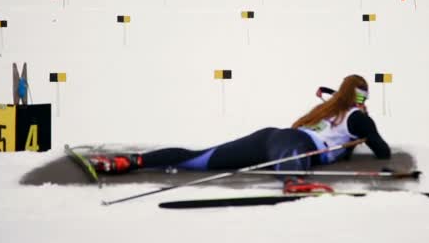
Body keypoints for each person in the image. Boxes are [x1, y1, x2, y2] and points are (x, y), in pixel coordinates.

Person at [89, 74, 390, 192]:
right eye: (362, 97)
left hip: (270, 138)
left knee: (198, 160)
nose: (363, 102)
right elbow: (382, 151)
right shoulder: (358, 118)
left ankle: (132, 161)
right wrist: (365, 122)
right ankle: (293, 181)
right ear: (357, 97)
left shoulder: (323, 110)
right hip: (290, 143)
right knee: (291, 152)